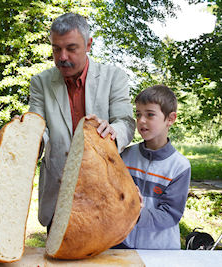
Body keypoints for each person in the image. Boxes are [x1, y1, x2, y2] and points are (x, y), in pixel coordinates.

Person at [28, 13, 135, 229]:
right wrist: (29, 140)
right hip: (58, 198)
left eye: (71, 48)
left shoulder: (115, 77)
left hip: (104, 193)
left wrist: (112, 131)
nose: (62, 56)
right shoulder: (40, 82)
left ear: (88, 45)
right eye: (56, 49)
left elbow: (126, 123)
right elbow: (39, 128)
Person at [120, 84, 191, 249]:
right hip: (123, 245)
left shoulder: (179, 166)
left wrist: (136, 214)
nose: (141, 121)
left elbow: (169, 215)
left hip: (160, 251)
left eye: (150, 114)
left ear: (170, 119)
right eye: (138, 114)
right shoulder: (125, 156)